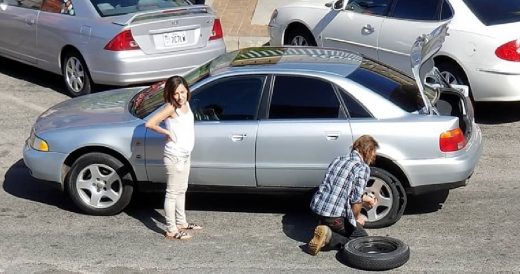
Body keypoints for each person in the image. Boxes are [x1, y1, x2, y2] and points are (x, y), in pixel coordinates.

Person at [145, 75, 202, 240]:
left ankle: (181, 222)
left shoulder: (186, 104)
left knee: (181, 190)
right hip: (174, 156)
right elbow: (150, 123)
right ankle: (171, 229)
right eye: (176, 93)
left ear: (187, 90)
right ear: (170, 94)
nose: (180, 96)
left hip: (185, 155)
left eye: (183, 92)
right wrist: (167, 132)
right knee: (172, 193)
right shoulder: (171, 108)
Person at [307, 135, 379, 255]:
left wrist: (365, 198)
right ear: (368, 151)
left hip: (316, 209)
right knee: (361, 240)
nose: (373, 157)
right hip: (334, 217)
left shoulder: (338, 159)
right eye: (373, 154)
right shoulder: (362, 167)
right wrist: (356, 220)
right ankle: (329, 238)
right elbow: (355, 200)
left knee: (337, 221)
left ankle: (323, 225)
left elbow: (341, 190)